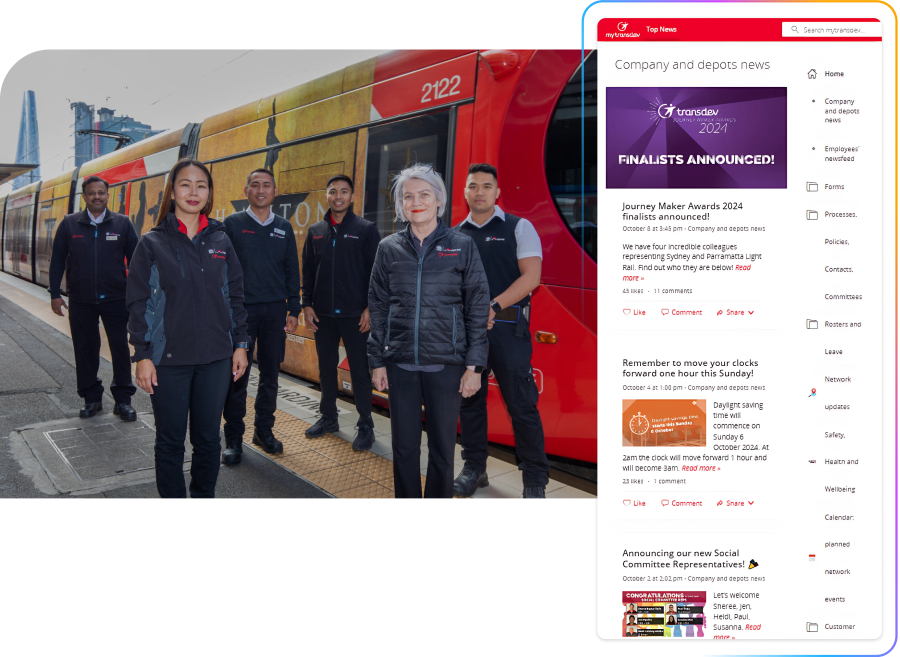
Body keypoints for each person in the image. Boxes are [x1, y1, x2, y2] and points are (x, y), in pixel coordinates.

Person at [126, 158, 249, 500]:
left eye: (201, 186)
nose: (193, 192)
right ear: (172, 191)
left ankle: (202, 506)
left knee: (209, 439)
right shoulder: (151, 243)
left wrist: (240, 344)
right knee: (170, 441)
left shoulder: (221, 240)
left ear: (209, 194)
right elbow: (139, 304)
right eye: (185, 184)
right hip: (168, 360)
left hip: (216, 359)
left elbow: (234, 295)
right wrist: (142, 355)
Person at [367, 164, 489, 500]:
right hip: (401, 364)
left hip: (446, 366)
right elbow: (377, 306)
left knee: (441, 452)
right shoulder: (388, 248)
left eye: (424, 194)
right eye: (408, 196)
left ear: (439, 200)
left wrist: (474, 366)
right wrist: (377, 361)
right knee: (404, 450)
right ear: (401, 205)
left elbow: (479, 307)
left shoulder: (461, 246)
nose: (416, 201)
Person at [453, 163, 551, 512]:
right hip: (466, 332)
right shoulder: (454, 235)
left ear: (497, 193)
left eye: (486, 186)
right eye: (473, 186)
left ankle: (534, 482)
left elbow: (532, 278)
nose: (479, 191)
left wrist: (492, 306)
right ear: (465, 193)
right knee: (470, 402)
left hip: (508, 329)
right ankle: (474, 468)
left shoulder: (518, 227)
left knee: (522, 407)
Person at [220, 169, 301, 462]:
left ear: (275, 192)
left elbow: (292, 268)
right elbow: (222, 269)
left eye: (267, 185)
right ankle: (233, 437)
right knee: (237, 375)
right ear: (246, 191)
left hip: (275, 311)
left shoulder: (283, 227)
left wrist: (294, 308)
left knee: (270, 374)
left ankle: (263, 431)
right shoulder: (232, 224)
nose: (261, 190)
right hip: (241, 312)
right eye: (255, 185)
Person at [48, 176, 138, 420]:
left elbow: (138, 262)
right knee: (85, 349)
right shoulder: (69, 224)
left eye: (101, 192)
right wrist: (55, 294)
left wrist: (140, 295)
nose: (97, 196)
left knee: (120, 349)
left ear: (107, 196)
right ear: (84, 197)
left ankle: (123, 400)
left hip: (116, 298)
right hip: (81, 300)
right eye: (91, 193)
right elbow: (57, 260)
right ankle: (92, 398)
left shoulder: (122, 224)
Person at [302, 175, 381, 450]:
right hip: (323, 315)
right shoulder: (315, 230)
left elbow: (376, 273)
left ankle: (365, 426)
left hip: (355, 315)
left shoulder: (366, 229)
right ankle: (328, 418)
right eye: (333, 191)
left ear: (351, 196)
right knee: (326, 370)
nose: (338, 196)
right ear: (326, 196)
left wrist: (371, 308)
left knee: (360, 371)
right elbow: (309, 271)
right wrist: (307, 304)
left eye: (343, 192)